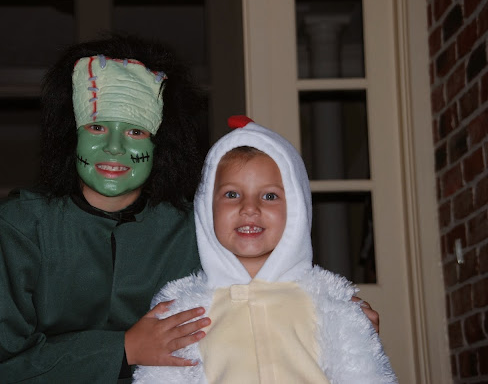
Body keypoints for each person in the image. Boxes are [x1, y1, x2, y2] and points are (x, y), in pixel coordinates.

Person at [0, 35, 380, 383]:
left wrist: (339, 322)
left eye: (135, 131)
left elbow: (263, 282)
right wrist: (123, 349)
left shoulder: (196, 228)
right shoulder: (18, 227)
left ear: (160, 144)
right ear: (70, 134)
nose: (114, 147)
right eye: (97, 127)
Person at [133, 116, 397, 383]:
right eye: (232, 194)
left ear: (296, 207)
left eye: (269, 196)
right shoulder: (186, 310)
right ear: (206, 207)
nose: (249, 208)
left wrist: (359, 330)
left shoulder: (329, 302)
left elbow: (365, 376)